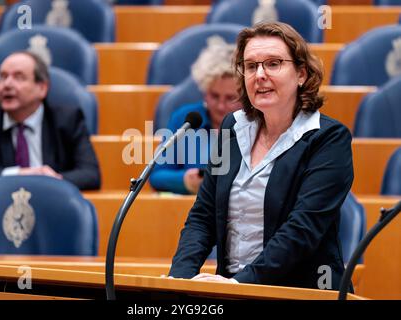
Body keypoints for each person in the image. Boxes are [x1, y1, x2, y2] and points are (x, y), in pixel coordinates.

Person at [168, 22, 354, 290]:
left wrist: (240, 284)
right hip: (232, 290)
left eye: (274, 64)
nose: (260, 75)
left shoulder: (327, 138)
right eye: (251, 66)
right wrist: (179, 279)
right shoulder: (234, 127)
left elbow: (302, 230)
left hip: (302, 292)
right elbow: (204, 214)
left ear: (301, 74)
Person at [0, 51, 101, 191]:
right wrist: (20, 174)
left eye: (19, 77)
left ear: (42, 88)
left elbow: (91, 175)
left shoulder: (67, 120)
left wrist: (53, 180)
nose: (7, 85)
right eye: (3, 77)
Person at [149, 36, 241, 195]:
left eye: (230, 98)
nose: (220, 105)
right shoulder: (185, 118)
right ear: (204, 91)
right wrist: (185, 180)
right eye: (214, 96)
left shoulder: (258, 122)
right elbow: (156, 175)